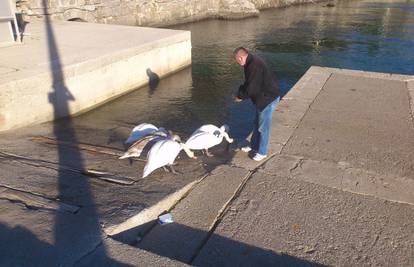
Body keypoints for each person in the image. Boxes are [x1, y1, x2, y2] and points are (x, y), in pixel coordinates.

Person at [233, 47, 280, 161]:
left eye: (237, 60)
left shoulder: (253, 65)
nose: (237, 63)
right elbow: (248, 82)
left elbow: (252, 88)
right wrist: (240, 92)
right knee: (257, 123)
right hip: (264, 97)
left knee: (263, 127)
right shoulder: (251, 61)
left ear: (241, 57)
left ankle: (262, 152)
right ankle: (253, 146)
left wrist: (240, 96)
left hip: (267, 99)